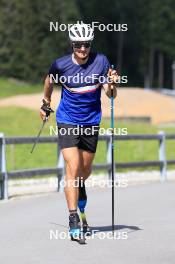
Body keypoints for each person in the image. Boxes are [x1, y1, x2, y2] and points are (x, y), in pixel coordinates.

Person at [40, 23, 118, 240]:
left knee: (84, 169)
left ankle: (80, 186)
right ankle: (73, 217)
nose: (82, 49)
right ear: (72, 44)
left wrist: (112, 84)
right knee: (73, 167)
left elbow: (111, 94)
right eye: (78, 45)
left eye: (86, 44)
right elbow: (49, 81)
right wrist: (45, 102)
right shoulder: (61, 65)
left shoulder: (101, 61)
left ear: (90, 44)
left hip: (91, 121)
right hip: (67, 120)